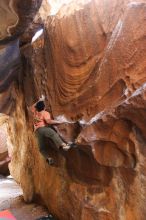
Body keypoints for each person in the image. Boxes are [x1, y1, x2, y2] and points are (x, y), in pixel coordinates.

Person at [29, 95, 72, 165]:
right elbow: (49, 121)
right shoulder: (45, 113)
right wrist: (59, 121)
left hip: (37, 132)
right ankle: (63, 145)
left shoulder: (35, 112)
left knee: (42, 148)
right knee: (53, 134)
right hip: (43, 129)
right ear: (44, 107)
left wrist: (39, 100)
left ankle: (48, 158)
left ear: (36, 108)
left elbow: (31, 108)